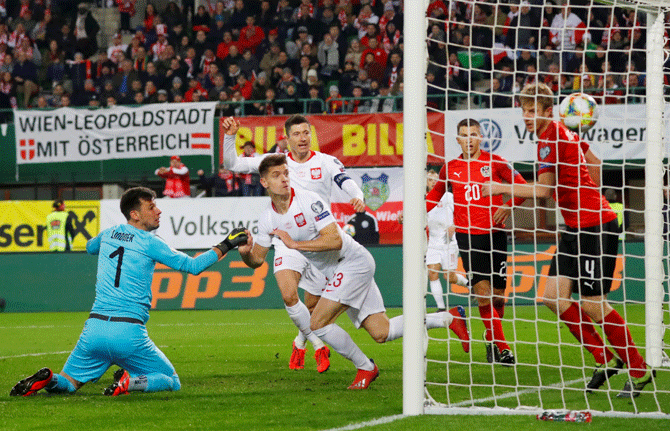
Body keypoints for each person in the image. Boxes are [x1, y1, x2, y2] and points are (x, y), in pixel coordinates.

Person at [237, 154, 470, 389]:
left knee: (317, 322)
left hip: (352, 262)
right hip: (338, 270)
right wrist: (246, 252)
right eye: (276, 176)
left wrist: (295, 246)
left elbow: (335, 240)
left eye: (286, 173)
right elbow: (257, 260)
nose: (284, 179)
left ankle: (366, 368)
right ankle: (448, 318)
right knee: (382, 332)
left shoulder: (309, 200)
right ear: (264, 183)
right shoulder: (267, 218)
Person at [483, 82, 653, 398]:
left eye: (534, 111)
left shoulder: (549, 139)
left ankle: (640, 370)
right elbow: (595, 165)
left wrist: (502, 190)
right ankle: (605, 357)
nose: (527, 117)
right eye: (524, 110)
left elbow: (545, 191)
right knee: (551, 296)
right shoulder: (565, 132)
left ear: (549, 111)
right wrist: (585, 195)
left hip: (593, 227)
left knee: (592, 303)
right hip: (576, 227)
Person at [9, 187, 248, 397]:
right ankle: (131, 382)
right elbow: (193, 266)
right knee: (171, 381)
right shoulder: (150, 242)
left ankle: (49, 378)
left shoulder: (108, 233)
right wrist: (227, 243)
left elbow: (91, 247)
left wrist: (107, 241)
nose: (158, 211)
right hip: (128, 332)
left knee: (69, 382)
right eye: (151, 207)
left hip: (94, 330)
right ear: (134, 214)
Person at [221, 115, 367, 373]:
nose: (302, 138)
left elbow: (345, 181)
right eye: (297, 134)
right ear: (287, 139)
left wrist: (357, 195)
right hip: (287, 241)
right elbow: (233, 163)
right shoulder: (276, 163)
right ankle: (315, 343)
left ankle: (299, 343)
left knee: (312, 305)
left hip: (318, 243)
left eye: (306, 133)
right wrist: (230, 136)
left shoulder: (325, 161)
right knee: (289, 295)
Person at [426, 118, 528, 366]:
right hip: (469, 238)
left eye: (473, 134)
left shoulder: (496, 162)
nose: (469, 139)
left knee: (498, 298)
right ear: (458, 139)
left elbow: (522, 187)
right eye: (464, 135)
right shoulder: (449, 168)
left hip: (496, 235)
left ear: (480, 137)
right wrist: (412, 213)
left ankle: (490, 335)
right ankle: (503, 349)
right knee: (482, 293)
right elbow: (433, 197)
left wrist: (507, 205)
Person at [424, 169, 469, 311]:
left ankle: (469, 285)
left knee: (449, 277)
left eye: (436, 180)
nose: (433, 183)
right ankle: (441, 308)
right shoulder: (423, 199)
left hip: (449, 242)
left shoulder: (448, 196)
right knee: (432, 273)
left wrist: (454, 226)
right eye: (430, 180)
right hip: (433, 243)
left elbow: (462, 213)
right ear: (426, 182)